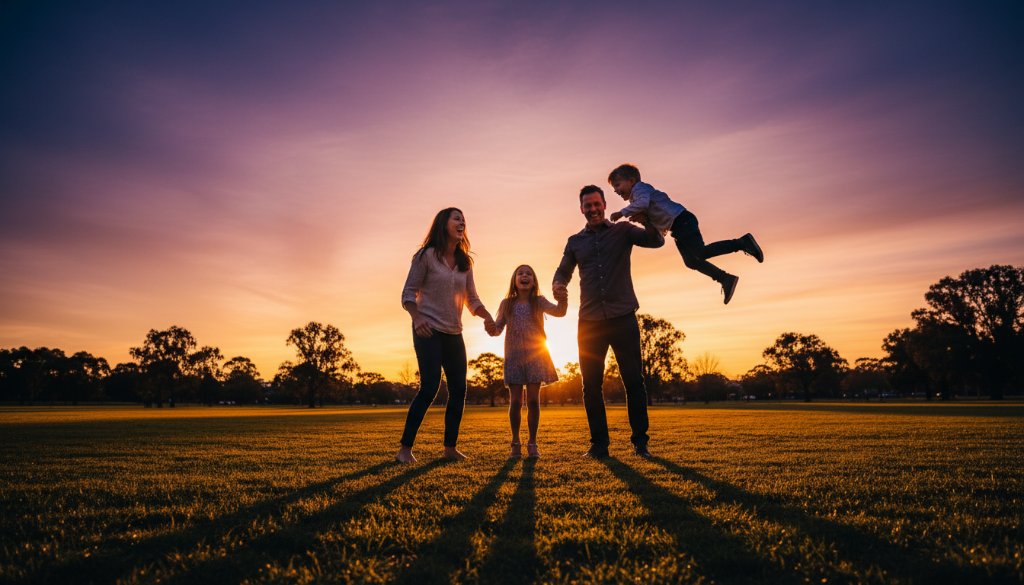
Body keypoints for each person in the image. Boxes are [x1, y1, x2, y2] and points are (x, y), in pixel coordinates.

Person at [552, 185, 664, 459]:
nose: (592, 209)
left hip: (623, 316)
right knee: (591, 386)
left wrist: (646, 218)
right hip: (589, 322)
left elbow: (656, 240)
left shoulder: (623, 231)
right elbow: (563, 271)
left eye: (596, 204)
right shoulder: (575, 241)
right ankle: (599, 445)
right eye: (587, 205)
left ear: (604, 204)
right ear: (581, 209)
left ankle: (640, 443)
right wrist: (558, 284)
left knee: (634, 382)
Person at [396, 207, 495, 464]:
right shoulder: (425, 256)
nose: (462, 222)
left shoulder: (465, 263)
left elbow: (472, 300)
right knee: (429, 388)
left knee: (459, 390)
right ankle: (405, 450)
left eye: (464, 219)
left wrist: (486, 316)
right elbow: (408, 293)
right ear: (444, 224)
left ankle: (450, 448)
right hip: (428, 330)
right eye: (457, 218)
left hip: (454, 333)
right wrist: (417, 318)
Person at [607, 163, 763, 304]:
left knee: (700, 252)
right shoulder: (636, 199)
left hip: (682, 220)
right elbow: (654, 215)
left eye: (618, 185)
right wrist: (644, 220)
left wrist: (622, 213)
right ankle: (726, 279)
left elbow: (643, 203)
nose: (616, 190)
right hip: (677, 228)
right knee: (691, 261)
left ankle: (742, 242)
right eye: (614, 187)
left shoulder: (641, 189)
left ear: (632, 181)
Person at [487, 264, 567, 458]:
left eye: (528, 273)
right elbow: (497, 329)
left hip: (536, 356)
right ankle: (515, 442)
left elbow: (560, 312)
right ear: (514, 280)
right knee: (515, 402)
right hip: (514, 357)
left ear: (533, 281)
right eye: (520, 273)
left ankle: (532, 443)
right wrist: (490, 328)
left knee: (532, 400)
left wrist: (563, 299)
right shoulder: (506, 304)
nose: (524, 276)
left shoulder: (539, 301)